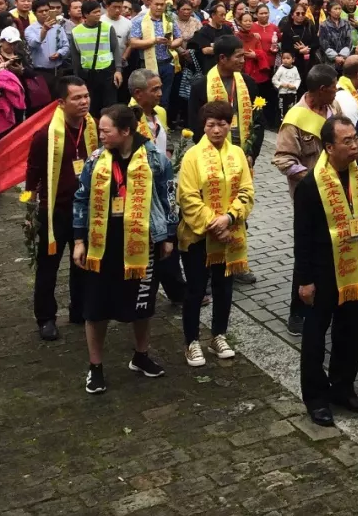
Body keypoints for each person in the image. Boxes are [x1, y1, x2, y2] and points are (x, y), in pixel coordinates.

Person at [71, 103, 177, 395]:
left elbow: (169, 198)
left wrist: (168, 236)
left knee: (142, 303)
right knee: (96, 307)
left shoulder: (155, 159)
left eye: (106, 130)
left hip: (142, 241)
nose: (101, 135)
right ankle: (95, 367)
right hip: (101, 242)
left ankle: (141, 356)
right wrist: (80, 240)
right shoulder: (95, 160)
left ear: (126, 131)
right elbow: (81, 200)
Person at [294, 115, 358, 425]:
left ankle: (343, 387)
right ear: (329, 147)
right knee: (315, 337)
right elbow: (302, 237)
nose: (355, 145)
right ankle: (315, 397)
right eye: (347, 141)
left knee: (349, 331)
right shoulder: (311, 185)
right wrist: (305, 281)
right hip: (322, 271)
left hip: (354, 265)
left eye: (356, 138)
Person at [177, 99, 254, 367]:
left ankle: (219, 334)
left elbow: (247, 191)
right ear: (203, 127)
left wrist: (230, 218)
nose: (217, 130)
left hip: (230, 231)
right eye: (211, 125)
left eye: (222, 124)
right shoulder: (192, 157)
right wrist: (214, 224)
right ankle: (191, 341)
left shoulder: (238, 154)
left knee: (224, 287)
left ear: (229, 125)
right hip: (199, 236)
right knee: (196, 289)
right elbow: (187, 198)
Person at [26, 76, 97, 340]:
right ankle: (46, 318)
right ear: (61, 102)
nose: (84, 102)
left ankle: (79, 309)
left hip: (85, 208)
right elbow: (32, 174)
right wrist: (30, 212)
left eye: (86, 96)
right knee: (48, 266)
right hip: (54, 209)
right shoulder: (45, 134)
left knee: (83, 262)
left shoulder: (93, 127)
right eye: (77, 98)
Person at [273, 63, 340, 335]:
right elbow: (282, 159)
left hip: (337, 193)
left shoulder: (333, 110)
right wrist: (312, 178)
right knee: (308, 253)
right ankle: (297, 311)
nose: (338, 91)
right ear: (321, 90)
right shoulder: (295, 119)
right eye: (334, 87)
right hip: (309, 197)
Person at [187, 34, 264, 164]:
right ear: (222, 58)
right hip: (212, 155)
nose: (243, 61)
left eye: (243, 56)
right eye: (238, 56)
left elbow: (258, 120)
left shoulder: (248, 83)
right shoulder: (200, 86)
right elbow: (196, 124)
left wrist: (252, 153)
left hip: (243, 152)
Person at [70, 0, 124, 114]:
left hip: (107, 72)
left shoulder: (108, 28)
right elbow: (75, 56)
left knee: (110, 106)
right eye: (95, 12)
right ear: (86, 14)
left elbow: (116, 50)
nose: (98, 14)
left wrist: (118, 70)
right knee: (92, 106)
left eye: (99, 11)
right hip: (88, 74)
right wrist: (77, 77)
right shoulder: (76, 31)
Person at [273, 50, 301, 119]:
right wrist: (281, 84)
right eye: (284, 58)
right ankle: (282, 123)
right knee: (282, 110)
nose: (285, 60)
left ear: (293, 59)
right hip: (283, 93)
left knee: (292, 108)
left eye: (288, 58)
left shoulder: (295, 69)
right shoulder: (281, 69)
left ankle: (290, 122)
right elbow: (274, 79)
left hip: (292, 93)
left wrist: (294, 86)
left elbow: (298, 79)